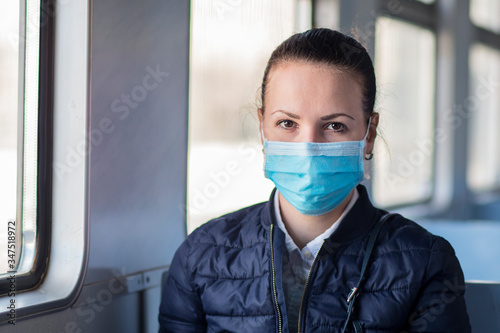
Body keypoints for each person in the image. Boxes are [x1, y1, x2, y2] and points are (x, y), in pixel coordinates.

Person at [158, 28, 471, 333]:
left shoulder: (425, 262)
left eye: (334, 126)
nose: (308, 146)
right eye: (287, 123)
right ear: (262, 128)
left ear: (369, 134)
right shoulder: (200, 255)